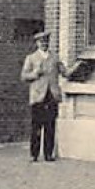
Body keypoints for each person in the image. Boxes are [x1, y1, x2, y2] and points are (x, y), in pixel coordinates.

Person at [20, 30, 68, 163]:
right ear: (37, 43)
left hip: (52, 95)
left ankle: (48, 154)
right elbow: (24, 76)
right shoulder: (31, 58)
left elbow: (64, 72)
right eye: (41, 42)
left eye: (46, 41)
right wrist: (34, 74)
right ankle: (34, 154)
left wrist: (73, 70)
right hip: (37, 96)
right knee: (36, 126)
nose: (44, 44)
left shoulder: (55, 57)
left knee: (50, 126)